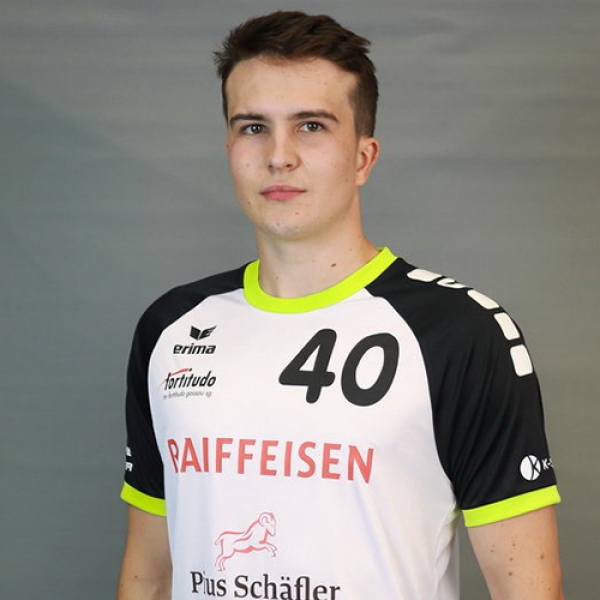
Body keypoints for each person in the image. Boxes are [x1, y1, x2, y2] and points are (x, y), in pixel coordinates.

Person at [117, 11, 563, 600]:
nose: (279, 156)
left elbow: (527, 589)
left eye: (311, 126)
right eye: (253, 127)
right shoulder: (172, 327)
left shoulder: (459, 332)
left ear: (362, 157)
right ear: (229, 147)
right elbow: (149, 575)